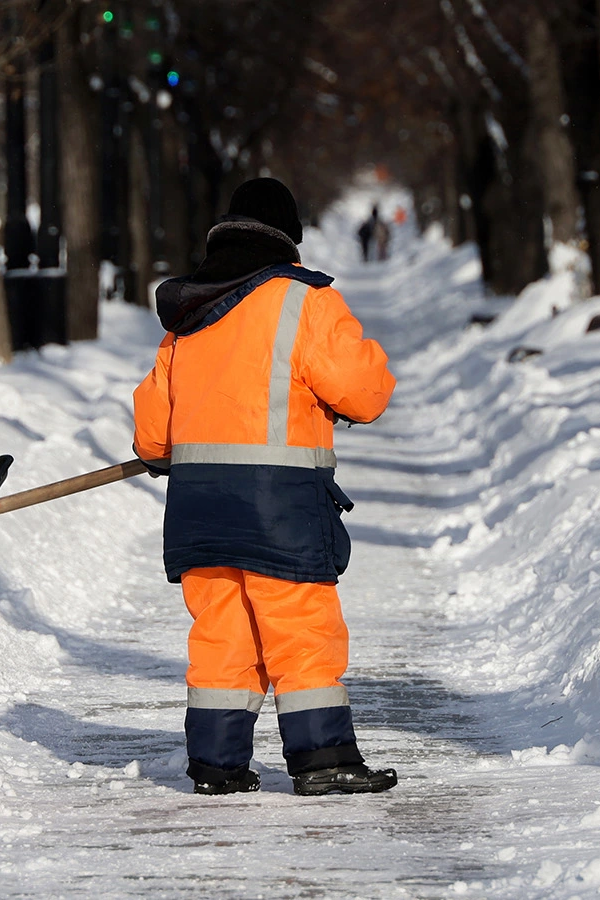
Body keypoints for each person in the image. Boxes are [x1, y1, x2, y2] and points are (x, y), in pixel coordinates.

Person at [133, 177, 399, 796]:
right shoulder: (305, 301)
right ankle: (324, 759)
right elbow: (364, 393)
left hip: (198, 507)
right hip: (278, 503)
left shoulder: (188, 314)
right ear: (290, 241)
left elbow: (152, 436)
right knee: (300, 628)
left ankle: (217, 765)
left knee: (222, 633)